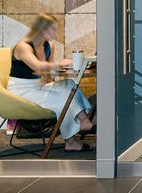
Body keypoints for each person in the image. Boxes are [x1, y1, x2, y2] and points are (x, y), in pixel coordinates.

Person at [8, 13, 94, 152]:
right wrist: (59, 64)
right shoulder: (23, 47)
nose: (55, 33)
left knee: (69, 85)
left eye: (56, 29)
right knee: (61, 99)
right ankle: (71, 142)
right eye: (52, 29)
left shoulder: (49, 46)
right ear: (40, 29)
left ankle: (85, 121)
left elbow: (48, 75)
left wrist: (65, 73)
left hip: (37, 87)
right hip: (19, 91)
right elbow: (37, 66)